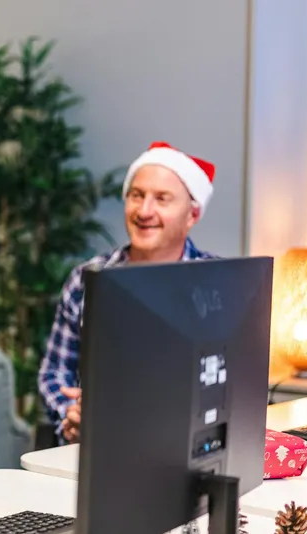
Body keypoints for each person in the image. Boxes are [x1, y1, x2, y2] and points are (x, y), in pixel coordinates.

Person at [37, 141, 218, 446]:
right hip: (94, 451)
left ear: (193, 214)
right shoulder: (86, 278)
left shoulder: (218, 285)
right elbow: (53, 374)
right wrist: (72, 414)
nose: (144, 211)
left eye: (162, 199)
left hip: (185, 447)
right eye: (137, 195)